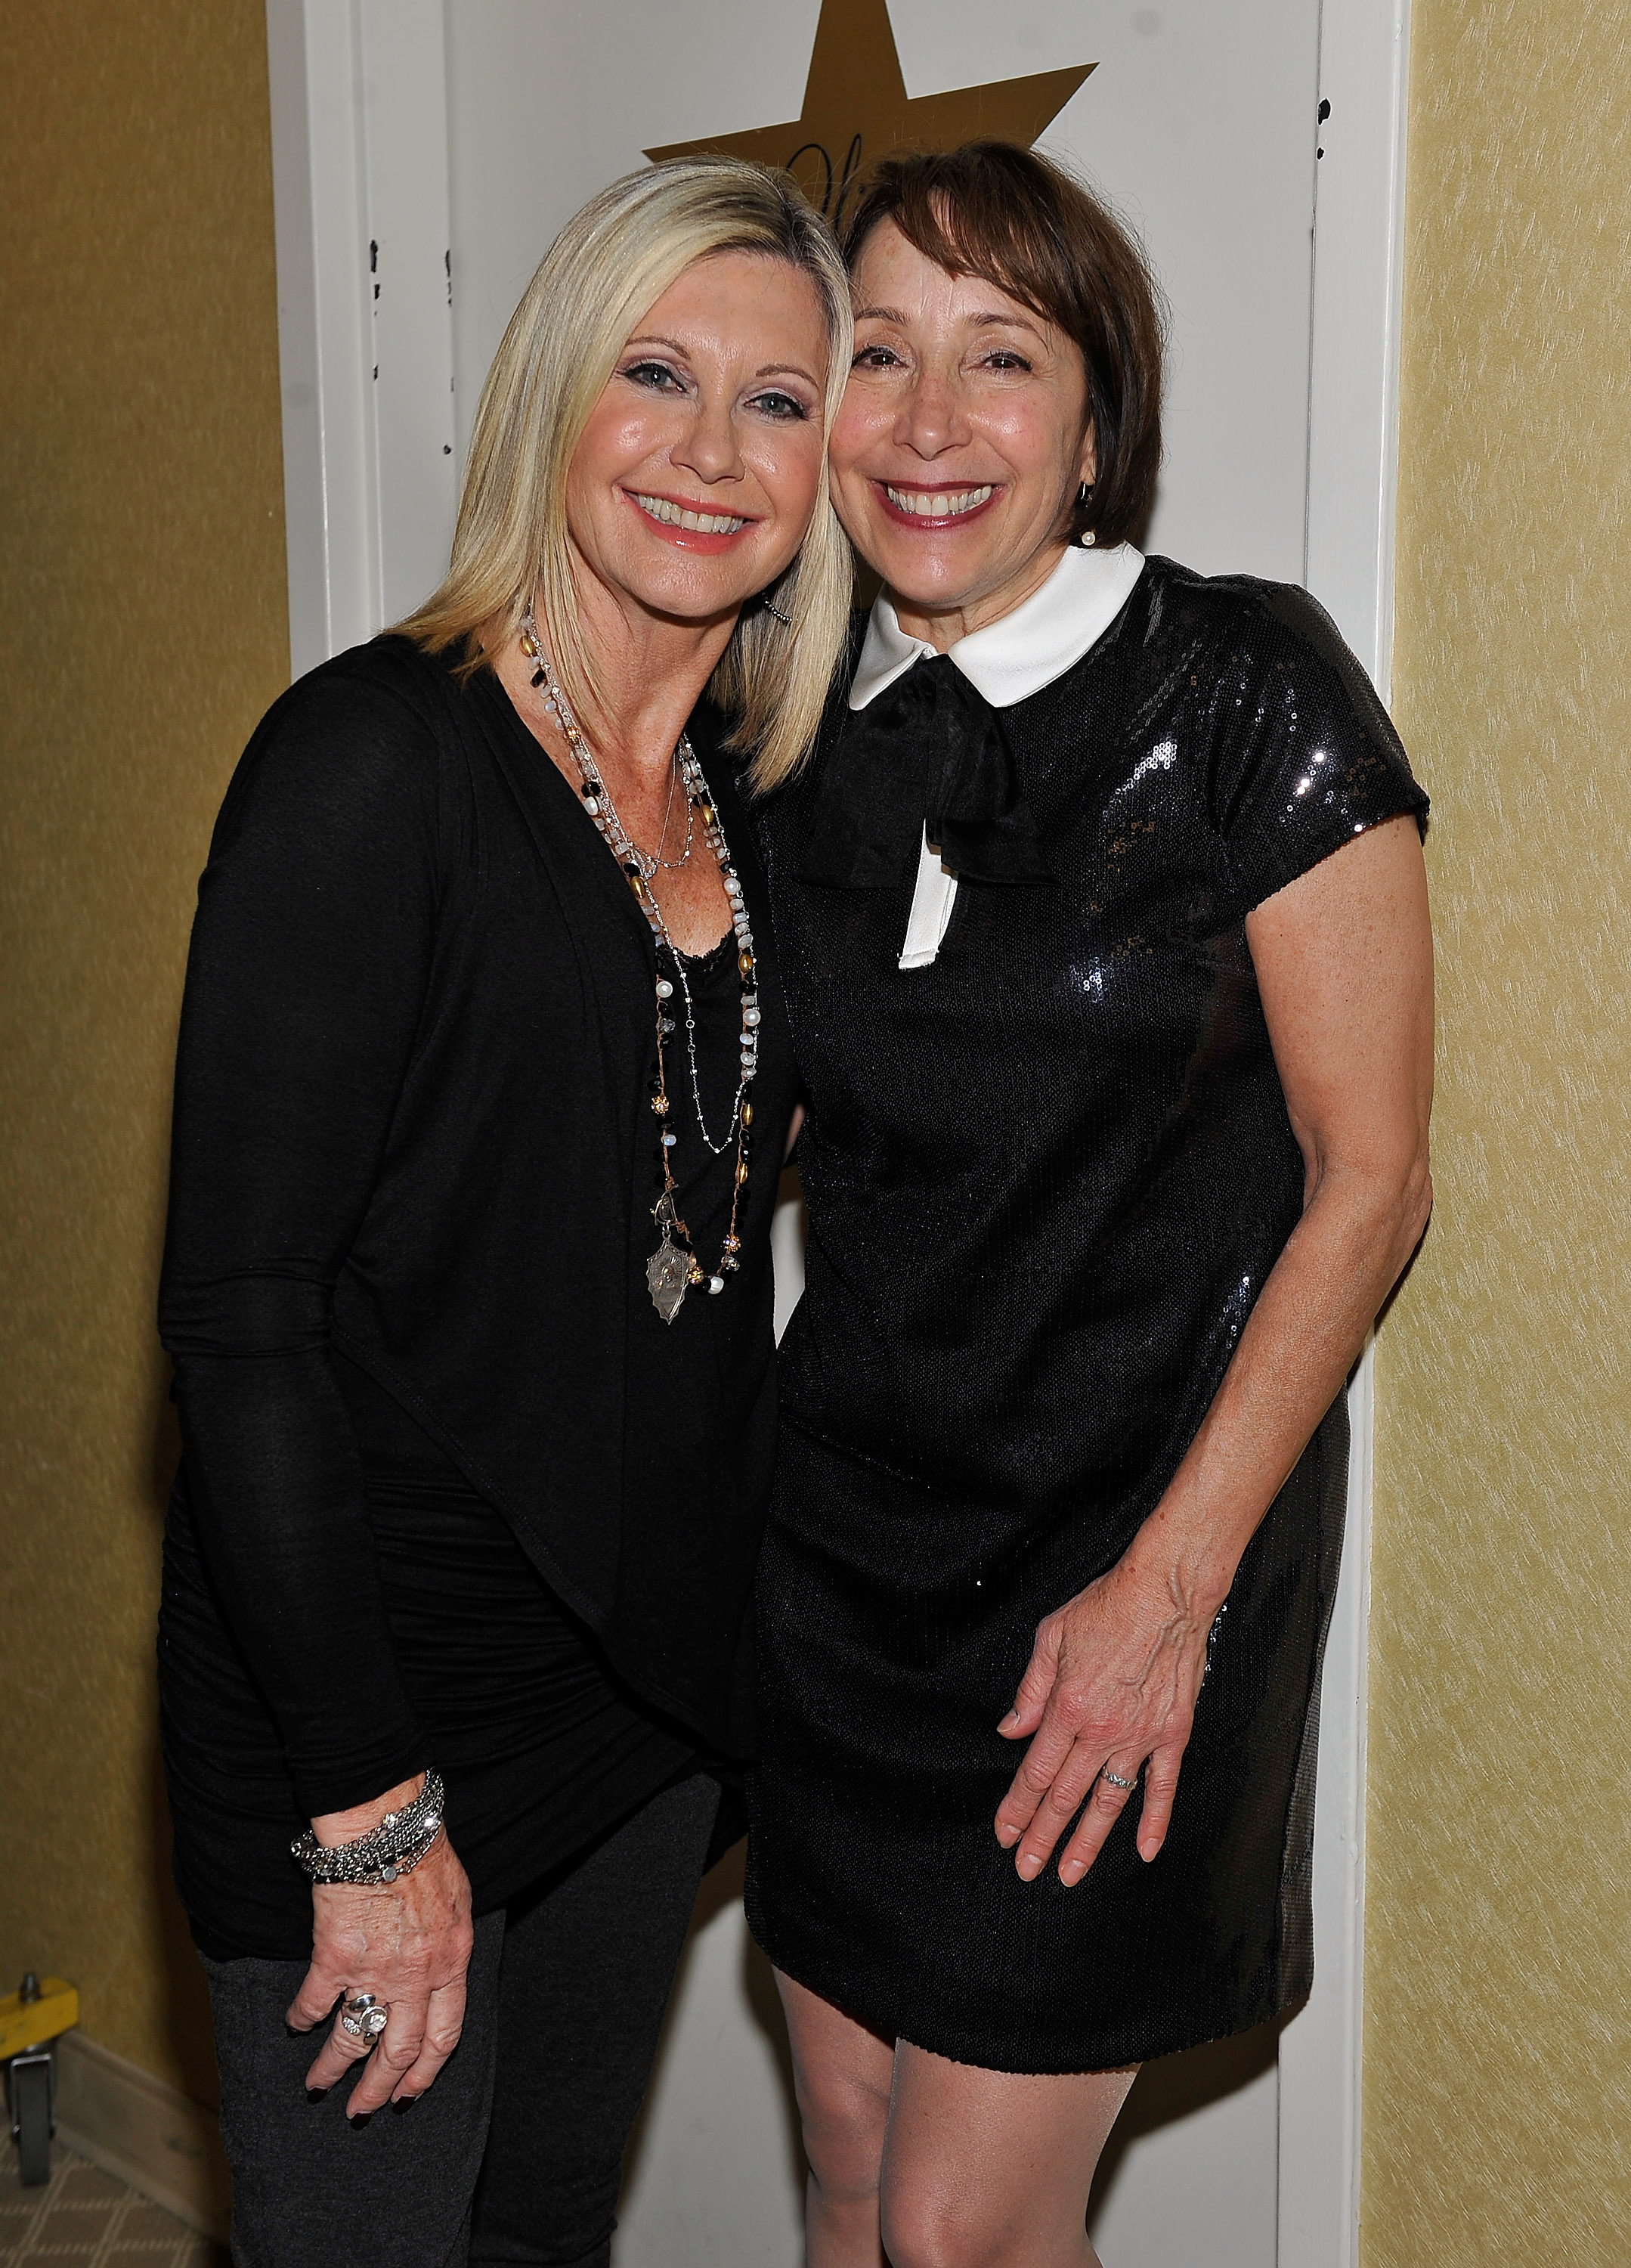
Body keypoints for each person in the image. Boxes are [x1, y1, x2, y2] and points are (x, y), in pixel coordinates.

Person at [156, 156, 852, 2268]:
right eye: (655, 373)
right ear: (554, 395)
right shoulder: (368, 764)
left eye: (780, 401)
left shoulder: (776, 807)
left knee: (542, 2241)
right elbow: (240, 1314)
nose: (712, 453)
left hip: (632, 1719)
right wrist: (366, 1814)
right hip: (365, 1711)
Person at [746, 141, 1434, 2268]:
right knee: (851, 2161)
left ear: (1097, 423)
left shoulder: (1245, 690)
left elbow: (1373, 1183)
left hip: (1129, 1582)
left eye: (1003, 358)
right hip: (843, 1565)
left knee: (964, 2231)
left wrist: (1171, 1595)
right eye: (876, 356)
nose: (931, 424)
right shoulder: (788, 734)